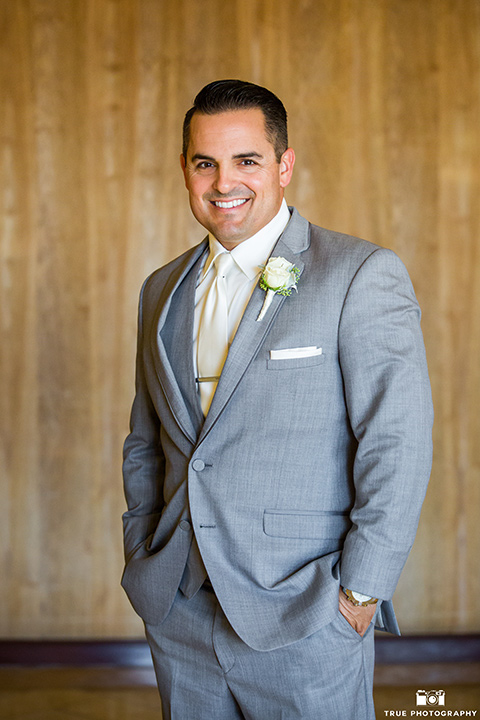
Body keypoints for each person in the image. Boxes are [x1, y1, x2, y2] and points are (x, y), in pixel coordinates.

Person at [121, 79, 433, 720]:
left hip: (307, 613)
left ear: (285, 166)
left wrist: (361, 591)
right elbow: (146, 441)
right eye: (205, 162)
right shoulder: (161, 291)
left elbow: (396, 441)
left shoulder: (357, 275)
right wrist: (141, 550)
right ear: (185, 169)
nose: (222, 182)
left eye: (247, 161)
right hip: (178, 612)